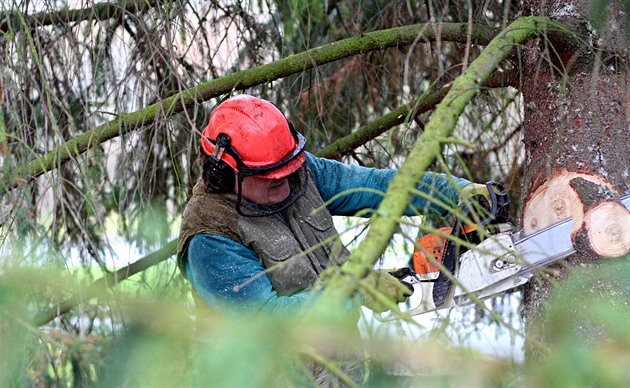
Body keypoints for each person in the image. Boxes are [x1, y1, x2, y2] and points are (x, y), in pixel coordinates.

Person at [177, 94, 490, 315]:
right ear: (223, 173)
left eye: (288, 168)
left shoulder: (298, 171)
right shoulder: (210, 237)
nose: (286, 182)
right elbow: (270, 323)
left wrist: (456, 192)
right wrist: (355, 289)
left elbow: (379, 187)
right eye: (272, 177)